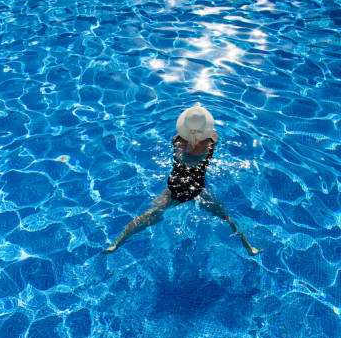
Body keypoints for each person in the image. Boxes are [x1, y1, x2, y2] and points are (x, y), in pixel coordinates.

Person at [104, 105, 263, 256]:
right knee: (226, 218)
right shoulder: (210, 143)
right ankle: (248, 247)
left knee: (151, 213)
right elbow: (212, 136)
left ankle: (117, 243)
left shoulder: (177, 140)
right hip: (196, 186)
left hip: (175, 184)